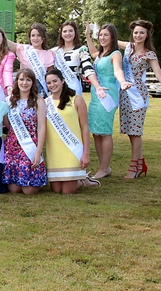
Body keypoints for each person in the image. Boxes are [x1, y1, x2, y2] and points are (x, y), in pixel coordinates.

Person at [85, 23, 132, 179]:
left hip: (107, 95)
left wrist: (123, 81)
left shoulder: (115, 54)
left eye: (106, 35)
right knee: (96, 132)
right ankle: (104, 167)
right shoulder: (100, 54)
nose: (102, 38)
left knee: (104, 132)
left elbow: (118, 70)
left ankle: (104, 168)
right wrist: (87, 35)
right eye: (101, 35)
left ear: (112, 37)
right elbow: (92, 52)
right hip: (95, 94)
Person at [44, 68, 98, 194]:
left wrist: (86, 154)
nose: (52, 85)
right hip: (54, 151)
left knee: (67, 191)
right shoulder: (46, 103)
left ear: (62, 81)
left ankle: (82, 181)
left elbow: (84, 128)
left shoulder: (76, 99)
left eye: (55, 81)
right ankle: (79, 179)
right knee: (56, 190)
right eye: (49, 83)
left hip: (73, 149)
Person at [117, 19, 160, 178]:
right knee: (130, 131)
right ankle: (141, 164)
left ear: (147, 34)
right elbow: (111, 39)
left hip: (138, 97)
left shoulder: (149, 54)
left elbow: (158, 74)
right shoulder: (128, 48)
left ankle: (134, 168)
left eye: (142, 32)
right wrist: (90, 33)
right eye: (136, 32)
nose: (138, 35)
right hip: (125, 95)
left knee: (135, 132)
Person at [2, 68, 47, 195]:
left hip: (30, 145)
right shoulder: (9, 101)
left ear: (33, 83)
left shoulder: (38, 101)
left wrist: (38, 152)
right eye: (21, 79)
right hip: (12, 146)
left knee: (28, 190)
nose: (24, 83)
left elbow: (42, 127)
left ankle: (40, 180)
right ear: (17, 82)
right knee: (14, 189)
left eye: (28, 80)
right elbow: (6, 122)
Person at [51, 21, 95, 96]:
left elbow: (88, 68)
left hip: (74, 90)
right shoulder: (55, 51)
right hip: (57, 91)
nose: (68, 33)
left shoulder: (81, 50)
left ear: (75, 33)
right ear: (61, 34)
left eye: (70, 31)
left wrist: (96, 85)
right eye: (65, 31)